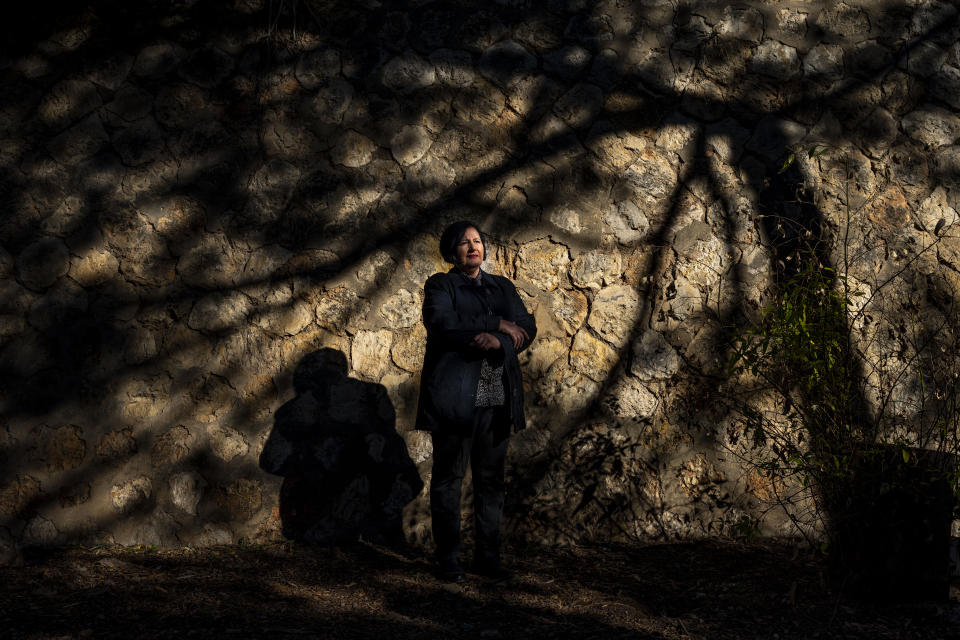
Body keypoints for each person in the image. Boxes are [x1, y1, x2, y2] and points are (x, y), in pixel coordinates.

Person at [415, 221, 537, 583]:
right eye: (465, 243)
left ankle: (488, 558)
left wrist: (500, 339)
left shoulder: (503, 286)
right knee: (449, 480)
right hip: (454, 401)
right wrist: (497, 322)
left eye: (478, 241)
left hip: (497, 401)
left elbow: (526, 325)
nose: (473, 247)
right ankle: (449, 559)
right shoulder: (442, 284)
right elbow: (443, 323)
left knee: (490, 482)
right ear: (452, 251)